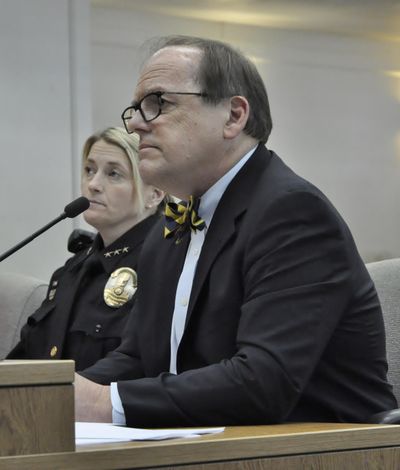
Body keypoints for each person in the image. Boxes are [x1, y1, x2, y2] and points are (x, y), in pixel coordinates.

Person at [75, 36, 397, 426]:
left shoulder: (293, 213)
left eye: (158, 103)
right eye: (136, 109)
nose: (138, 124)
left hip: (319, 450)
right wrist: (54, 396)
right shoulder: (167, 230)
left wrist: (101, 404)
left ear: (233, 116)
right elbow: (138, 358)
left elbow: (263, 382)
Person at [7, 127, 165, 370]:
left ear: (155, 194)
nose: (93, 184)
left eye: (114, 174)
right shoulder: (71, 270)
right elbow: (24, 361)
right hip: (47, 406)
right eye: (89, 170)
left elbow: (142, 366)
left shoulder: (165, 263)